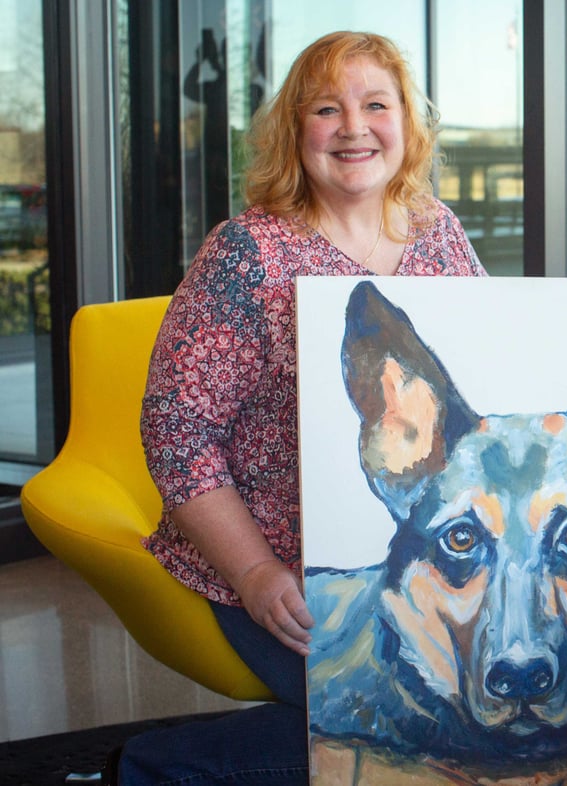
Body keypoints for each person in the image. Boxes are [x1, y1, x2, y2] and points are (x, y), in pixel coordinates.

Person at [115, 30, 487, 785]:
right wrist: (255, 573)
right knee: (427, 725)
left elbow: (490, 365)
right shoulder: (246, 253)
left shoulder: (437, 231)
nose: (353, 127)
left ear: (407, 127)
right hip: (283, 568)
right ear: (297, 133)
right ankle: (158, 769)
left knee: (498, 706)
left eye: (376, 105)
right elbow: (176, 429)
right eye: (326, 109)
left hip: (423, 559)